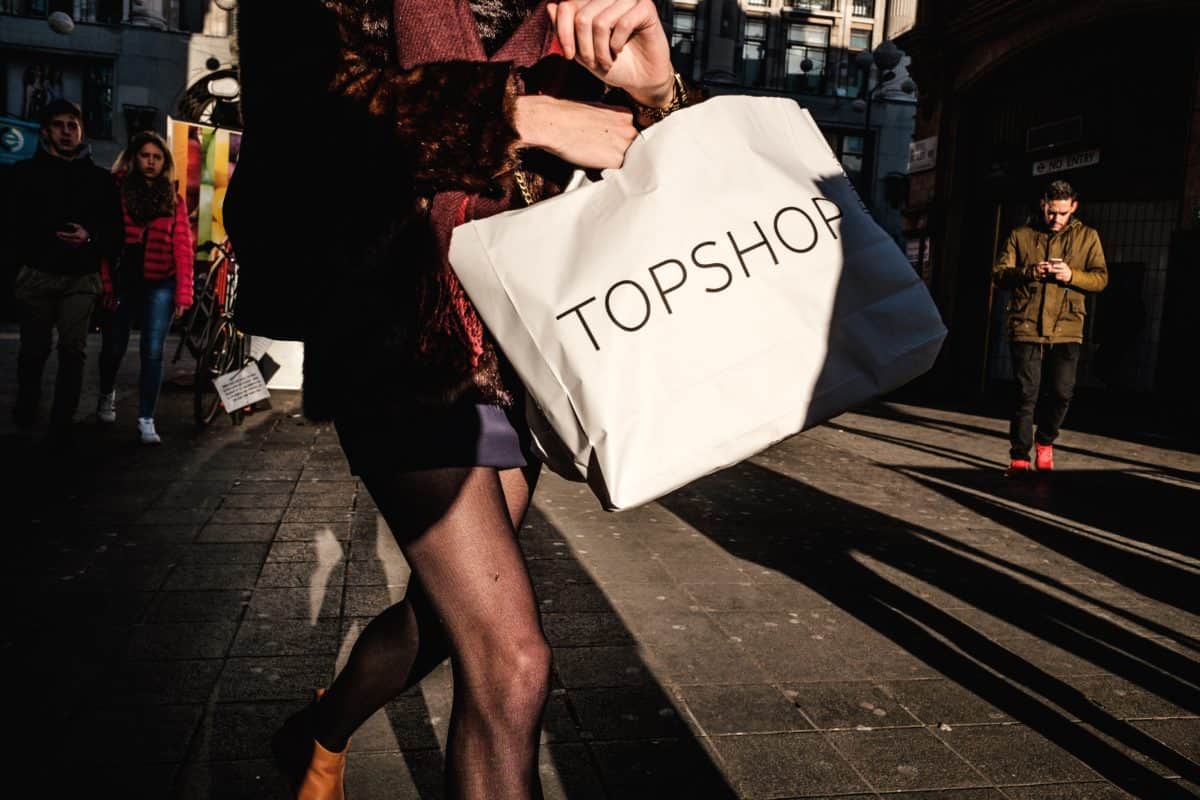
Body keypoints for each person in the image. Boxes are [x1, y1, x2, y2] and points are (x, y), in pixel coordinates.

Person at [232, 1, 696, 797]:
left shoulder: (571, 5)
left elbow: (655, 183)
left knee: (443, 618)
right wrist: (522, 111)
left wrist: (658, 93)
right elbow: (304, 121)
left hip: (523, 347)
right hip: (398, 333)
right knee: (512, 662)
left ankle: (318, 730)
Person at [4, 98, 123, 440]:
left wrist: (90, 238)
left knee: (74, 350)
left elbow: (115, 232)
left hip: (81, 277)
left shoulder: (99, 181)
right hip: (37, 273)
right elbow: (11, 226)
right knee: (33, 349)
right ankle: (26, 407)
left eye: (73, 125)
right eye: (59, 125)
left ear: (82, 130)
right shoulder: (24, 175)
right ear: (45, 132)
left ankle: (63, 419)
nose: (67, 132)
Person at [992, 179, 1108, 476]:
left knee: (1061, 392)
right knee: (1025, 392)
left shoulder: (1088, 237)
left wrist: (1071, 275)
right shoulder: (1021, 235)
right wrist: (1029, 271)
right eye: (1051, 212)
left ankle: (1045, 442)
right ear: (1043, 204)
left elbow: (1101, 279)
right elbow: (1000, 274)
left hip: (1067, 325)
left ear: (1073, 207)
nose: (1056, 219)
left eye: (1062, 213)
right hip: (1026, 323)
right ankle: (1019, 456)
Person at [96, 131, 194, 443]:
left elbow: (183, 247)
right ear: (135, 157)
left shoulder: (173, 199)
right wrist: (108, 285)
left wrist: (184, 292)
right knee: (114, 346)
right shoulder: (119, 193)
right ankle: (106, 393)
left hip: (161, 282)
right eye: (145, 155)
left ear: (164, 162)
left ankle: (146, 417)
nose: (151, 162)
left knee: (153, 351)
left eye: (157, 157)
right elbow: (108, 245)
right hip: (126, 282)